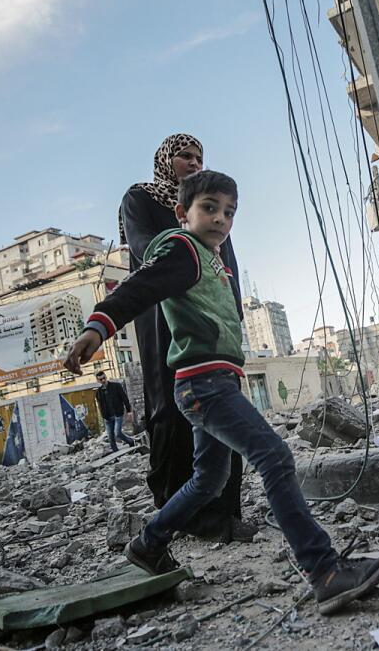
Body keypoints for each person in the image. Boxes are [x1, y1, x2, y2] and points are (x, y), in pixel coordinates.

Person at [67, 171, 379, 614]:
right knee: (276, 457)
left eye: (229, 212)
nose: (221, 219)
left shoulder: (211, 260)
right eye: (209, 208)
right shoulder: (181, 249)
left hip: (214, 381)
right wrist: (99, 326)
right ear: (183, 213)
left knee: (210, 478)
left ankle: (148, 544)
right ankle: (325, 571)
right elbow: (138, 288)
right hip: (202, 384)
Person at [119, 133, 251, 542]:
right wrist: (188, 267)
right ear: (165, 160)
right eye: (185, 156)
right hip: (163, 314)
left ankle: (224, 513)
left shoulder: (206, 209)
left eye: (199, 157)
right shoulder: (141, 198)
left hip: (212, 317)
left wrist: (234, 310)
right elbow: (145, 249)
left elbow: (227, 262)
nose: (194, 163)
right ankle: (178, 513)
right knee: (171, 410)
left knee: (222, 406)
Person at [95, 370, 135, 452]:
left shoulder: (116, 386)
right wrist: (103, 416)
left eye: (104, 378)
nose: (103, 380)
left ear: (106, 377)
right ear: (98, 380)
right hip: (107, 417)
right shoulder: (98, 392)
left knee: (117, 433)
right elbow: (100, 406)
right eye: (100, 379)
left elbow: (124, 398)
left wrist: (129, 410)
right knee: (111, 438)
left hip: (117, 414)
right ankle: (116, 455)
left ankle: (130, 441)